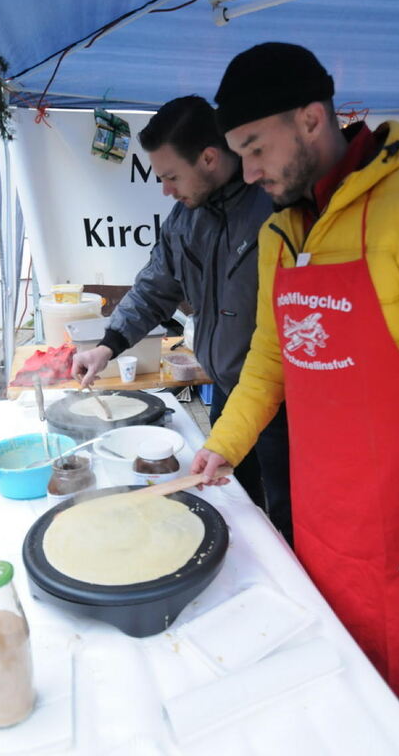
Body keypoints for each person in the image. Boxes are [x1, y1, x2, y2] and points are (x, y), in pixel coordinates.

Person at [191, 43, 399, 700]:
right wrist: (221, 447)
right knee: (331, 690)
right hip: (321, 525)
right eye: (239, 154)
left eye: (256, 147)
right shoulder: (282, 233)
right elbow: (268, 363)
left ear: (312, 118)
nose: (249, 171)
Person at [72, 95, 292, 543]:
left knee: (289, 511)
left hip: (286, 402)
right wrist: (107, 345)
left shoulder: (275, 208)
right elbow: (155, 287)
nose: (166, 190)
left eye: (171, 176)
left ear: (209, 158)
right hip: (228, 389)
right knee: (231, 497)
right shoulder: (183, 220)